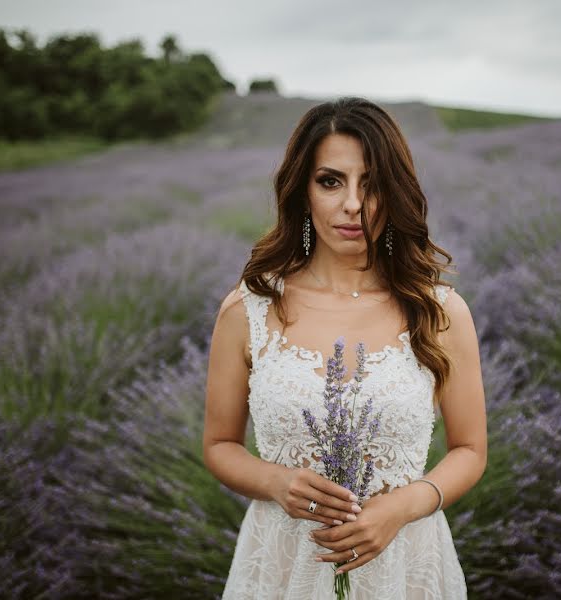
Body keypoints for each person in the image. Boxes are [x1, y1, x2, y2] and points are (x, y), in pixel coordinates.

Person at [203, 96, 487, 599]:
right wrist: (274, 482)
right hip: (285, 565)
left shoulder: (440, 311)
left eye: (372, 184)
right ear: (302, 191)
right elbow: (219, 445)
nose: (352, 204)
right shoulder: (249, 309)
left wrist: (403, 507)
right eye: (330, 181)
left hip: (404, 563)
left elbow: (469, 451)